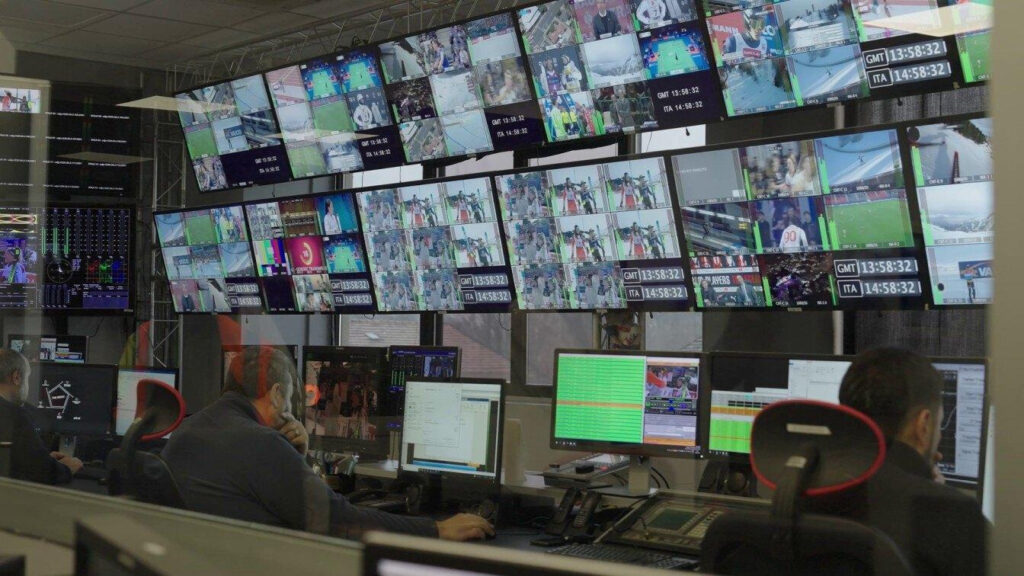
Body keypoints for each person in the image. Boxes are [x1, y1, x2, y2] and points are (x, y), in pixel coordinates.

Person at [163, 347, 492, 541]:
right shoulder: (260, 442)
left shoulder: (187, 431)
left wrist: (295, 456)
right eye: (289, 398)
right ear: (276, 394)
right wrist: (436, 530)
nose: (290, 410)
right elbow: (339, 520)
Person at [818, 348, 987, 576]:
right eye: (938, 425)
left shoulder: (807, 492)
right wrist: (940, 497)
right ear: (923, 424)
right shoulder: (956, 514)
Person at [0, 350, 82, 484]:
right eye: (27, 378)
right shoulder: (15, 416)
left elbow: (22, 460)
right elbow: (45, 473)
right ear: (16, 377)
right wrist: (69, 467)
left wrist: (43, 459)